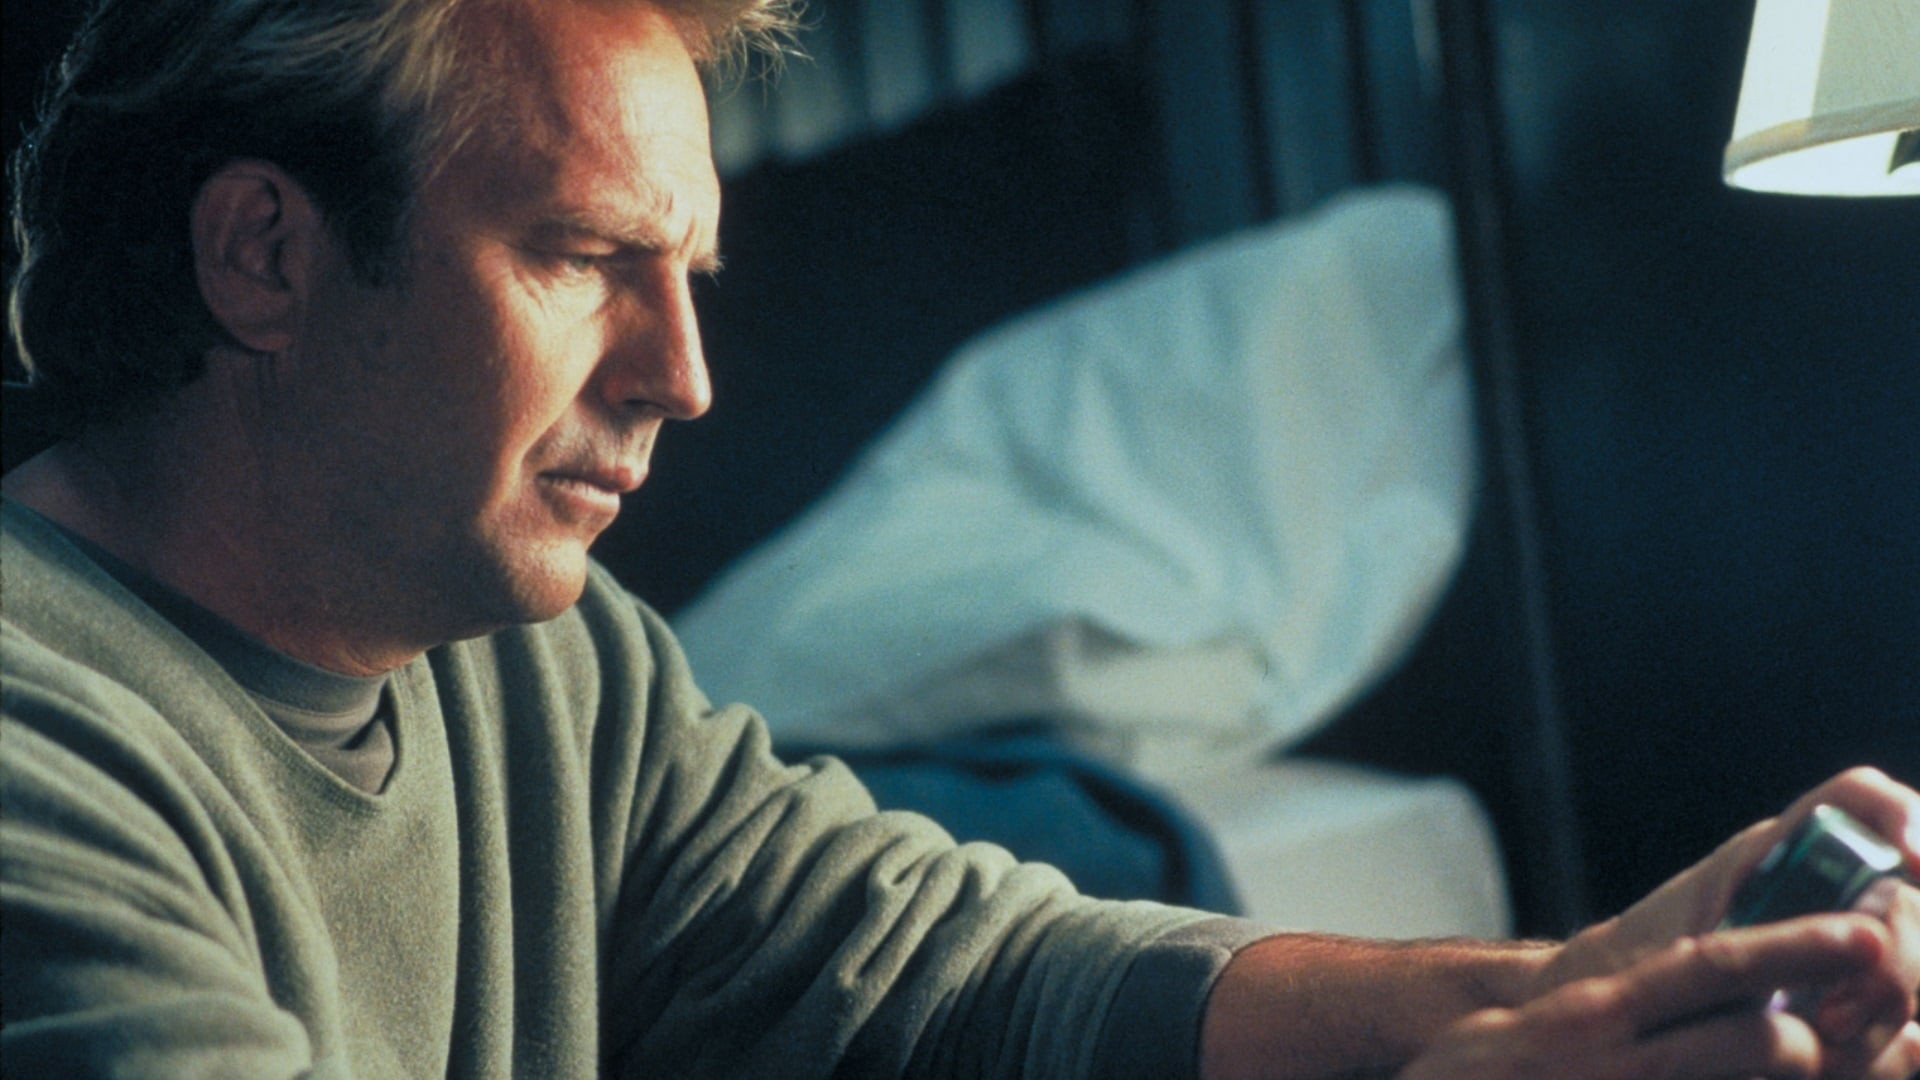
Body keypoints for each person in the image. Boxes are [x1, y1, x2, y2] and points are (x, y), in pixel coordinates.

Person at [1, 0, 1915, 1076]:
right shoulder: (39, 756)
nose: (683, 379)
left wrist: (1570, 987)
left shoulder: (548, 669)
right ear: (264, 255)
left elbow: (947, 962)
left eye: (691, 280)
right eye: (584, 259)